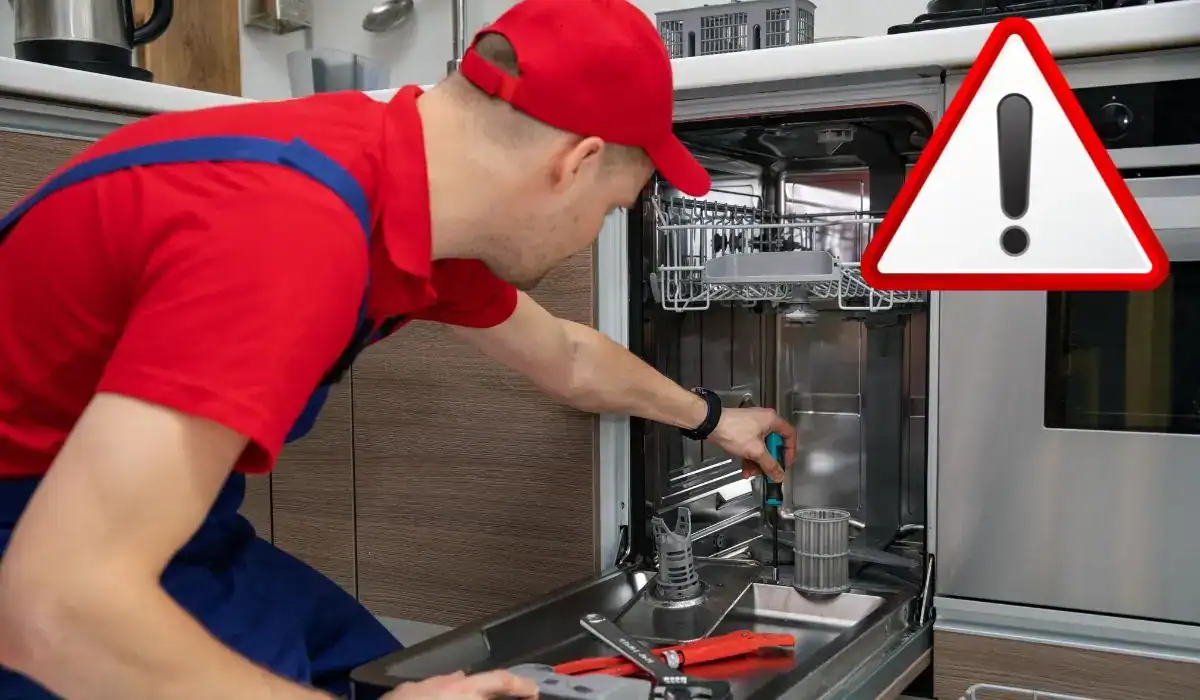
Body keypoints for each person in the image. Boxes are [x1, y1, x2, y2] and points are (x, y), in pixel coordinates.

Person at [0, 0, 797, 698]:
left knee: (389, 675)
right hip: (44, 558)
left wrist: (712, 418)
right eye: (613, 209)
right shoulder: (291, 227)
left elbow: (566, 356)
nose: (597, 233)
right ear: (576, 163)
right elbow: (53, 606)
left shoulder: (399, 188)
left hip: (155, 528)